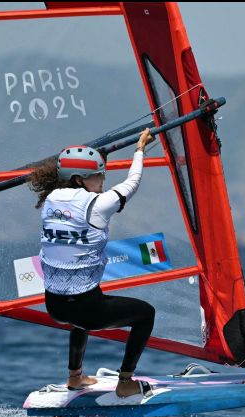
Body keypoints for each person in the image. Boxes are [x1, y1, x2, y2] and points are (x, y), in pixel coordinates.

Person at [28, 129, 156, 398]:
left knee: (80, 313)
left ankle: (75, 378)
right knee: (146, 314)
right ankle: (126, 383)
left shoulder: (51, 199)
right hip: (86, 308)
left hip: (53, 304)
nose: (103, 180)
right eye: (98, 175)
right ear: (78, 179)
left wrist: (99, 159)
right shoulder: (98, 204)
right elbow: (133, 182)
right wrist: (140, 149)